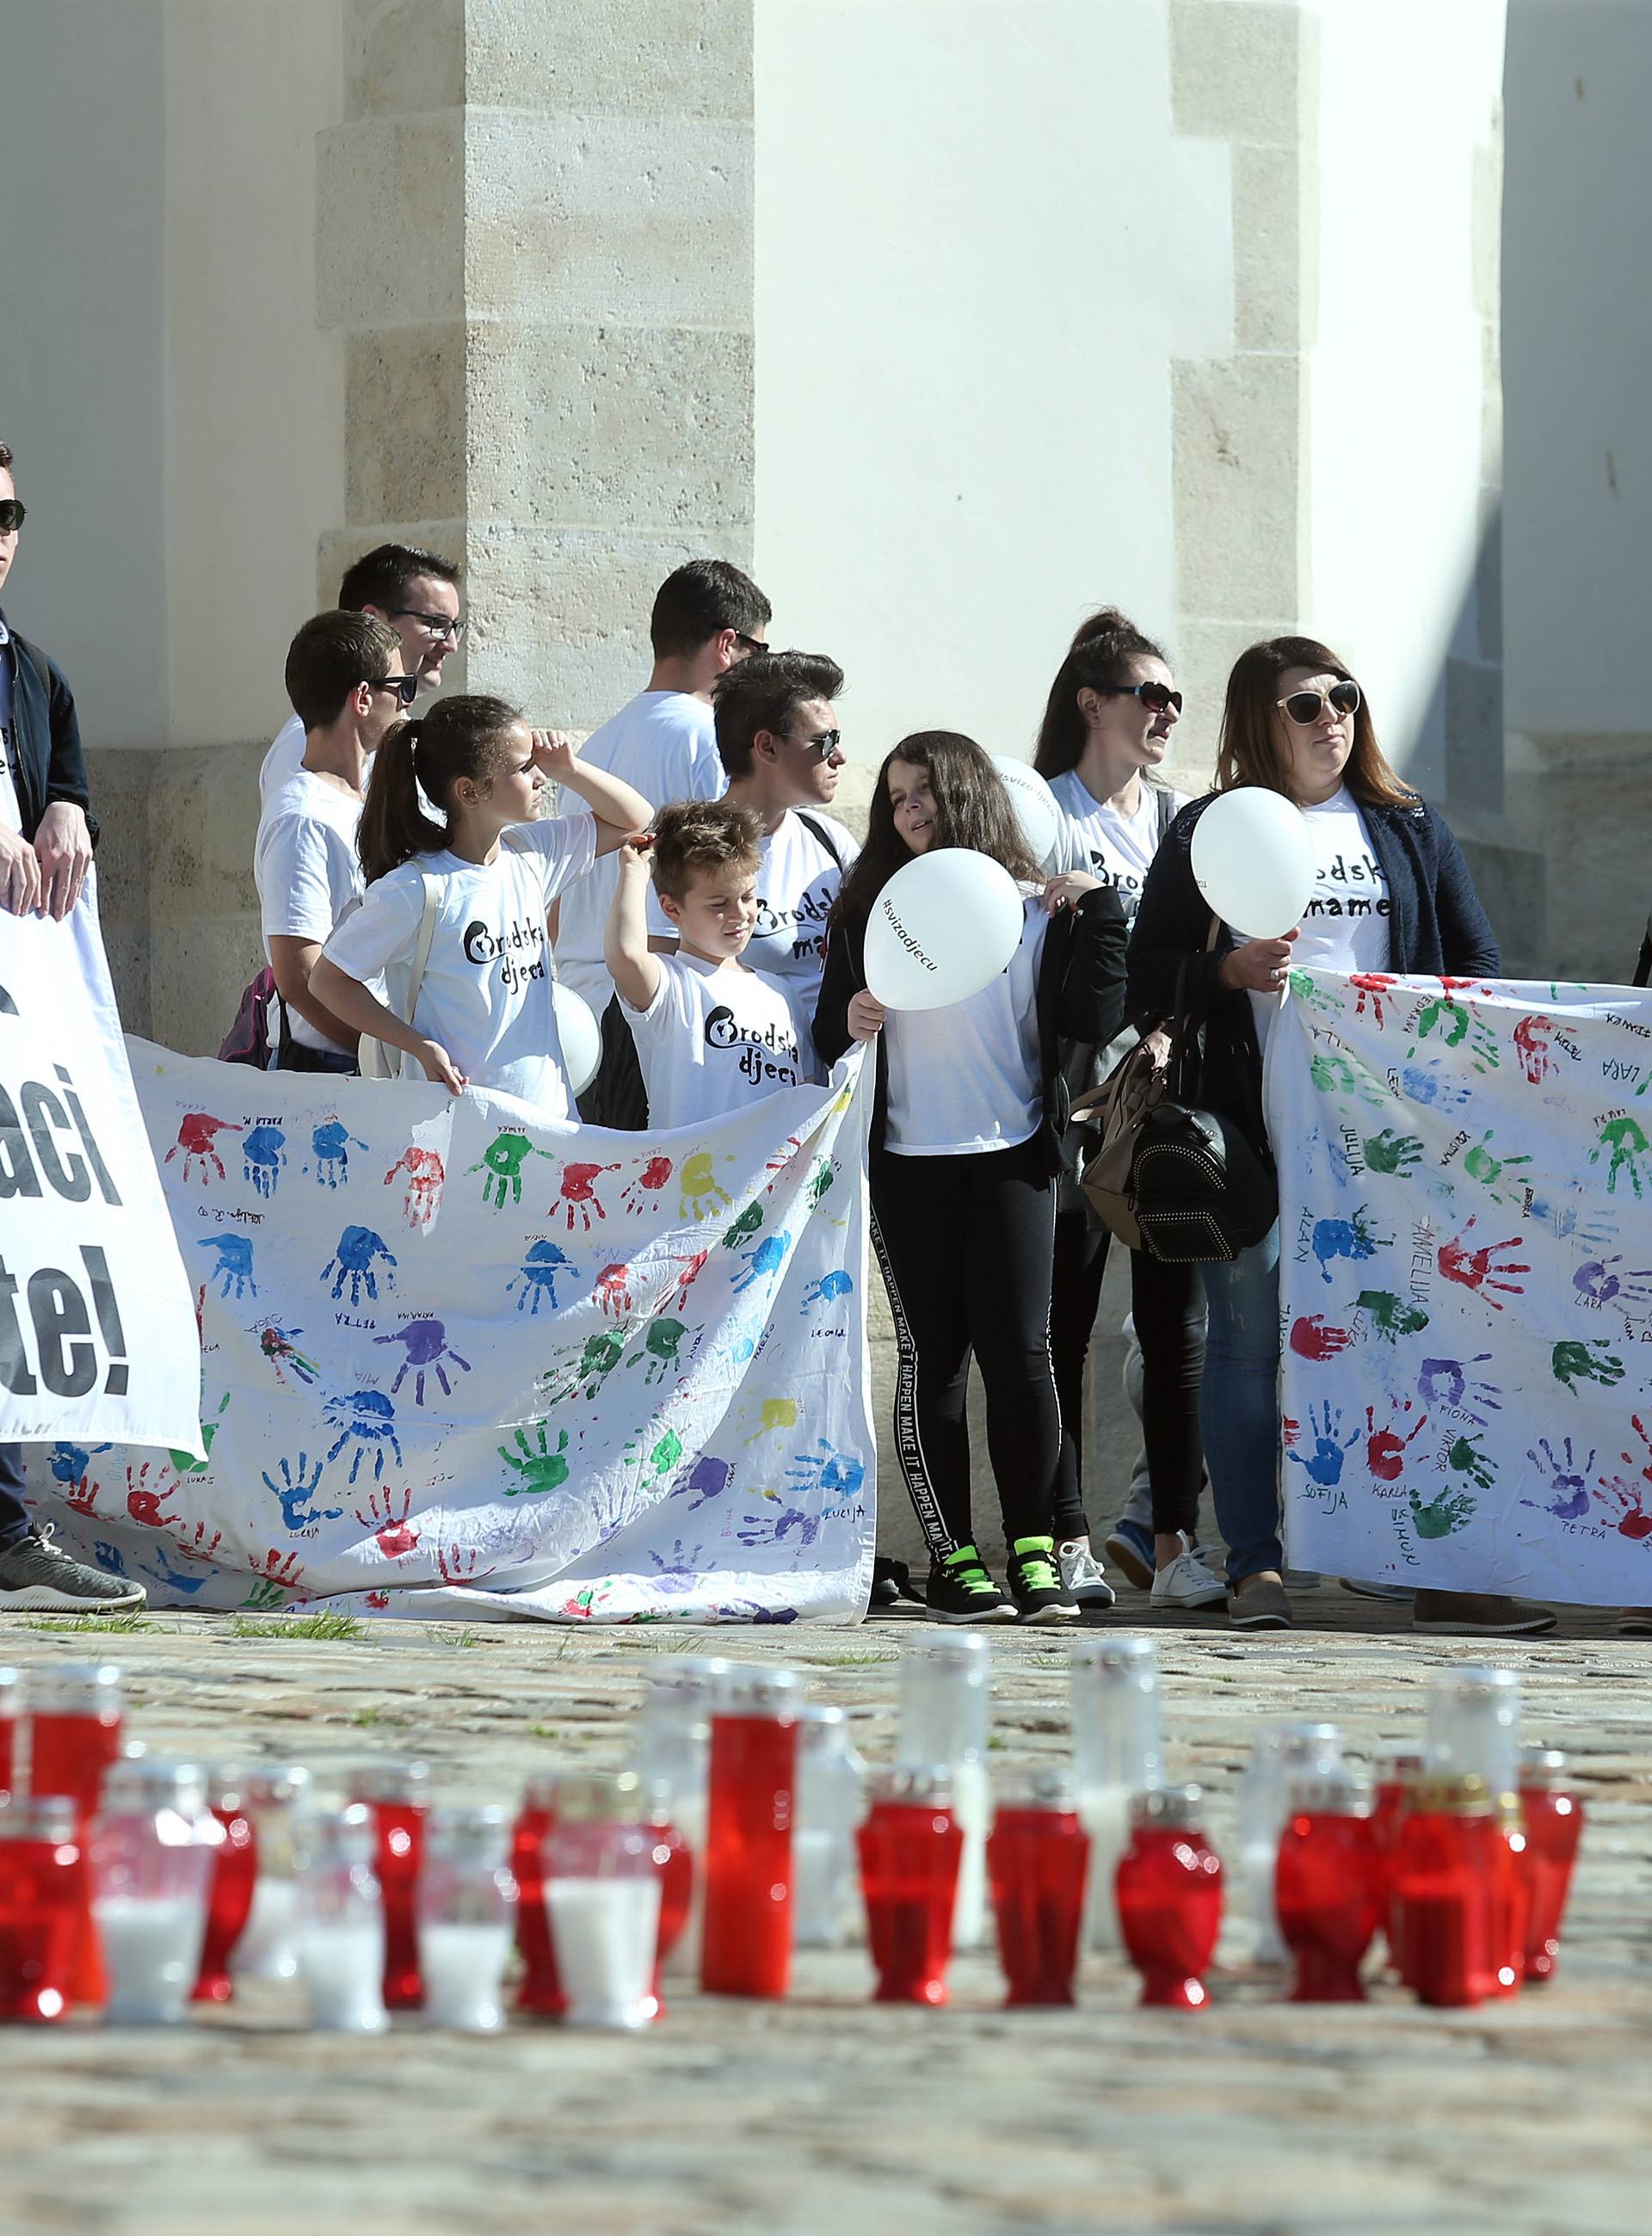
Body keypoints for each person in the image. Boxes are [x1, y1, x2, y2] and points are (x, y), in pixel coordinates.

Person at [1128, 633, 1555, 1636]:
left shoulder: (1406, 829)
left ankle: (1431, 1565)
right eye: (1306, 706)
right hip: (1254, 1136)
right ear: (1257, 724)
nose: (1333, 720)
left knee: (1412, 1343)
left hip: (1395, 1145)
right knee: (1241, 1345)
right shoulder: (1209, 829)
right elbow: (1143, 976)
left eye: (1345, 698)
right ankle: (1255, 1566)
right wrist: (1226, 976)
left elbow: (1478, 964)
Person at [815, 732, 1128, 1623]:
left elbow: (1092, 1013)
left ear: (970, 799)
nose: (911, 810)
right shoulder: (872, 908)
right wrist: (850, 1012)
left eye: (928, 792)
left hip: (1016, 1160)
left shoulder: (1034, 913)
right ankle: (952, 1559)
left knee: (1023, 1357)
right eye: (898, 797)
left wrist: (1099, 910)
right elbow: (826, 1037)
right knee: (935, 1363)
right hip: (910, 1168)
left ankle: (1033, 1550)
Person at [1034, 609, 1221, 1612]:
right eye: (1150, 695)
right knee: (1060, 1320)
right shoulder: (1046, 810)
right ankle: (1064, 1535)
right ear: (1091, 704)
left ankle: (1174, 1540)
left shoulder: (1182, 819)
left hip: (1169, 1102)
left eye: (1177, 698)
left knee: (1173, 1327)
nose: (1168, 713)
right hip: (1067, 1106)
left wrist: (1168, 1029)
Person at [0, 438, 145, 1611]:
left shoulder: (33, 671)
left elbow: (72, 788)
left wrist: (64, 807)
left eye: (9, 513)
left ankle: (4, 1526)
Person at [311, 697, 649, 1112]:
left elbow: (635, 818)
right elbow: (327, 980)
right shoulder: (416, 888)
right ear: (469, 791)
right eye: (524, 768)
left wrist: (571, 768)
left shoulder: (531, 853)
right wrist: (417, 1045)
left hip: (551, 1119)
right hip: (461, 1127)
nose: (540, 777)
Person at [552, 558, 771, 1122]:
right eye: (760, 654)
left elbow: (558, 908)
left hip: (578, 1020)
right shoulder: (708, 738)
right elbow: (730, 878)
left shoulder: (595, 747)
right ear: (729, 643)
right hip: (654, 1020)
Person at [255, 612, 410, 1072]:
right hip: (336, 1071)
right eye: (402, 688)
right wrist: (383, 1055)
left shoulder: (364, 791)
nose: (407, 706)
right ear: (363, 697)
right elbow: (300, 977)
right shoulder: (302, 818)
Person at [606, 800, 804, 1127]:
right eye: (718, 904)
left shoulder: (783, 995)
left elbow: (807, 1093)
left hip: (774, 1175)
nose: (740, 914)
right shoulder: (670, 988)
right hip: (692, 1176)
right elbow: (625, 956)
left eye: (747, 897)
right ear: (672, 910)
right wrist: (634, 871)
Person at [712, 650, 857, 1074]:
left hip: (829, 1096)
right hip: (740, 1101)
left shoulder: (829, 839)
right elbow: (666, 987)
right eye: (825, 741)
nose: (840, 756)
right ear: (767, 746)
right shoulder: (689, 849)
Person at [259, 544, 463, 804]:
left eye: (454, 627)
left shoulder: (391, 732)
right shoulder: (314, 738)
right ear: (374, 619)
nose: (452, 644)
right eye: (436, 624)